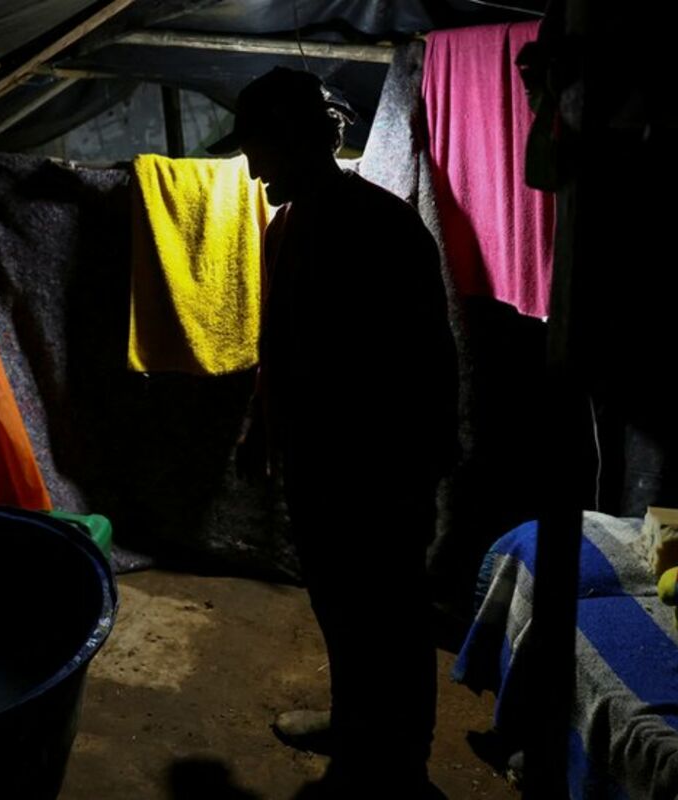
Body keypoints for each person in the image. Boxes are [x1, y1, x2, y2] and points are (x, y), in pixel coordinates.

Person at [209, 68, 457, 797]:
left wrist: (421, 463)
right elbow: (279, 342)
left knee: (390, 612)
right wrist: (262, 426)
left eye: (260, 151)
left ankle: (398, 762)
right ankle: (356, 727)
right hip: (318, 460)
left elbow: (429, 358)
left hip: (380, 467)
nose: (252, 171)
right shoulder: (286, 227)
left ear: (300, 141)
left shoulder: (382, 226)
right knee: (340, 604)